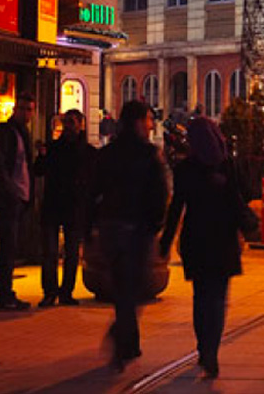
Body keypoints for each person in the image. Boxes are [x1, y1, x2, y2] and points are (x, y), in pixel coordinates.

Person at [162, 117, 256, 378]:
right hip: (223, 240)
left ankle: (204, 348)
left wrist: (166, 241)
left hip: (197, 240)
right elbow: (241, 198)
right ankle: (211, 350)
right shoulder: (227, 165)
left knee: (201, 297)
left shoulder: (186, 168)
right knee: (218, 299)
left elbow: (176, 208)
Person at [93, 101, 168, 370]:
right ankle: (122, 337)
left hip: (112, 227)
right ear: (137, 122)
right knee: (133, 287)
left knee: (124, 285)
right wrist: (156, 225)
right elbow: (160, 193)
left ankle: (130, 342)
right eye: (148, 120)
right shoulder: (149, 155)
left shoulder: (108, 153)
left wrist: (95, 224)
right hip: (137, 229)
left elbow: (93, 189)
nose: (151, 126)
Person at [0, 94, 37, 311]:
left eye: (30, 109)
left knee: (10, 247)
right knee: (8, 248)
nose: (26, 114)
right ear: (15, 109)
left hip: (17, 198)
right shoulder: (6, 132)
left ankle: (6, 293)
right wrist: (11, 191)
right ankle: (4, 294)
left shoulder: (23, 134)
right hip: (7, 199)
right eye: (23, 109)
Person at [34, 109, 95, 307]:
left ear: (80, 125)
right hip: (53, 205)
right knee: (50, 252)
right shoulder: (53, 148)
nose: (68, 126)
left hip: (74, 207)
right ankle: (50, 292)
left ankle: (66, 292)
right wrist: (42, 156)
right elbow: (38, 171)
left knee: (71, 253)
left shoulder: (87, 152)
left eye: (72, 122)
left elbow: (94, 182)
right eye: (66, 122)